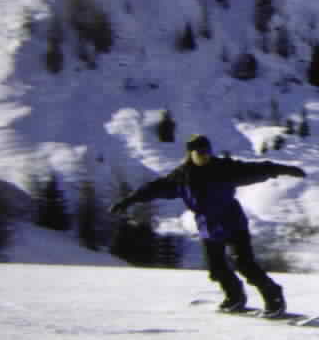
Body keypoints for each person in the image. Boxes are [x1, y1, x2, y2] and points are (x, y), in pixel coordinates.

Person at [110, 134, 306, 316]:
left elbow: (256, 169)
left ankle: (274, 298)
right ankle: (235, 297)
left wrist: (283, 169)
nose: (204, 156)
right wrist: (129, 200)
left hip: (233, 223)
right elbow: (154, 188)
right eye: (200, 153)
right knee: (216, 269)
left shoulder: (224, 169)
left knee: (245, 265)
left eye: (207, 152)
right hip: (208, 228)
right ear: (190, 154)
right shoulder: (181, 177)